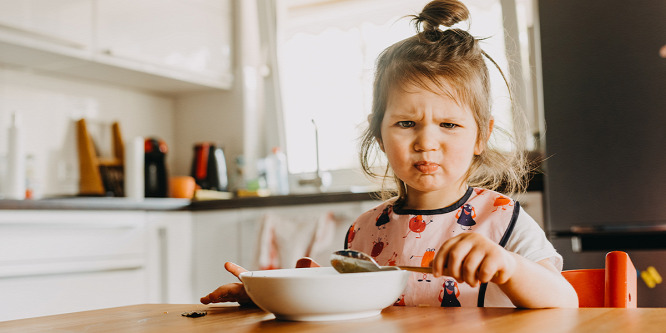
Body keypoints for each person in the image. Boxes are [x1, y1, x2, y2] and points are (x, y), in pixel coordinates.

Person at [201, 0, 578, 308]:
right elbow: (343, 304)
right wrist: (265, 295)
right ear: (378, 133)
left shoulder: (503, 221)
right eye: (406, 124)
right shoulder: (365, 231)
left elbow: (564, 302)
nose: (427, 142)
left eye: (449, 125)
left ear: (482, 136)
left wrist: (509, 266)